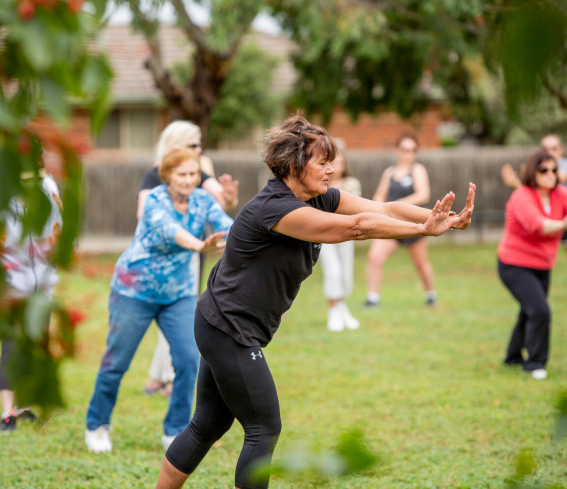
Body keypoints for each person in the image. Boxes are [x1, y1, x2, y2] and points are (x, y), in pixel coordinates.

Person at [155, 113, 476, 489]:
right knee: (264, 426)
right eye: (322, 162)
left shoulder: (319, 198)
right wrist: (422, 229)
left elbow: (382, 210)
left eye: (331, 160)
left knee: (208, 423)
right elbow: (357, 228)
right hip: (228, 328)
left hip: (219, 322)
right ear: (293, 165)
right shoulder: (276, 209)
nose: (331, 169)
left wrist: (447, 220)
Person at [84, 147, 234, 453]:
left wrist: (248, 237)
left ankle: (175, 429)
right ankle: (97, 425)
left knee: (189, 360)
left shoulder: (203, 200)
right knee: (116, 362)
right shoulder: (154, 199)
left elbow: (227, 225)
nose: (189, 180)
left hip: (177, 294)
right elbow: (171, 231)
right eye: (182, 174)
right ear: (167, 175)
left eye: (193, 174)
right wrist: (199, 246)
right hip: (134, 292)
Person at [139, 121, 239, 399]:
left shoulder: (200, 171)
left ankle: (164, 378)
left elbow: (221, 203)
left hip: (193, 255)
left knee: (180, 317)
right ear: (175, 147)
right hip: (160, 261)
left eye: (199, 145)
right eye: (192, 145)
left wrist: (229, 199)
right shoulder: (153, 176)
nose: (199, 150)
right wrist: (178, 230)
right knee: (169, 316)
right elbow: (143, 215)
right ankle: (164, 377)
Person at [497, 151, 567, 380]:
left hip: (543, 266)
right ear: (533, 172)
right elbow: (536, 225)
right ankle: (535, 363)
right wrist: (563, 224)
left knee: (529, 310)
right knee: (540, 311)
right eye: (544, 170)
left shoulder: (560, 194)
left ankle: (512, 356)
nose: (550, 174)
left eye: (554, 170)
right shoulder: (521, 196)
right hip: (514, 266)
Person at [0, 169, 63, 432]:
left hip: (42, 285)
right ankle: (6, 412)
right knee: (11, 345)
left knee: (36, 346)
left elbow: (61, 228)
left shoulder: (49, 188)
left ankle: (23, 405)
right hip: (11, 284)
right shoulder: (1, 192)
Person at [364, 134, 437, 307]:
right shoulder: (389, 173)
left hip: (413, 225)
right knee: (374, 257)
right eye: (405, 149)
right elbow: (379, 196)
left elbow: (423, 194)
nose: (408, 153)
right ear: (397, 150)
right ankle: (372, 299)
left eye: (413, 150)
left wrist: (397, 206)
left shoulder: (417, 170)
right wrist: (374, 210)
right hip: (391, 224)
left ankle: (430, 296)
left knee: (421, 263)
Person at [501, 134, 567, 270]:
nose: (550, 151)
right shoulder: (529, 191)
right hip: (550, 220)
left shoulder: (566, 165)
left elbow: (559, 177)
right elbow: (531, 199)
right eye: (545, 148)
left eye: (554, 148)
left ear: (561, 149)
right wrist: (520, 183)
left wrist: (539, 169)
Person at [319, 153, 361, 331]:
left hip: (346, 233)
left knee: (345, 271)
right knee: (333, 270)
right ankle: (333, 309)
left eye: (341, 162)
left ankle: (342, 307)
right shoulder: (320, 185)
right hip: (325, 233)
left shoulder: (351, 184)